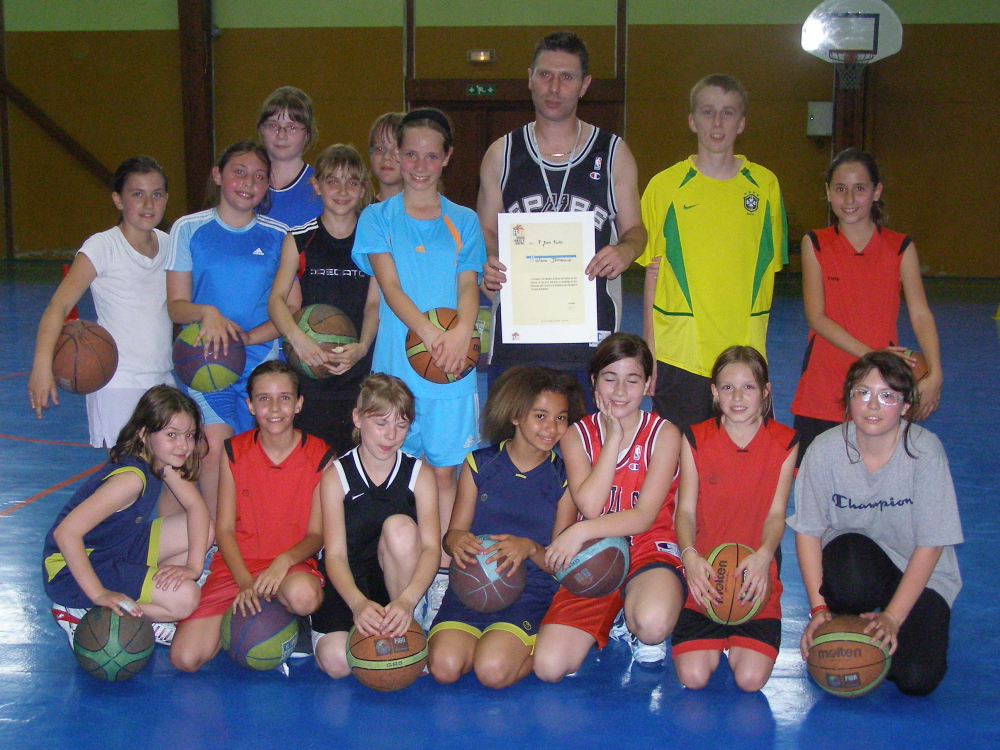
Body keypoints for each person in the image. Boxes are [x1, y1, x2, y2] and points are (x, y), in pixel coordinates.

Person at [352, 108, 486, 627]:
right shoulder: (378, 217)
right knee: (397, 473)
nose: (420, 165)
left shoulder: (465, 220)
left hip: (453, 369)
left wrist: (460, 336)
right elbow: (389, 287)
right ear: (395, 156)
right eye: (410, 154)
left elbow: (469, 284)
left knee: (446, 473)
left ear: (447, 157)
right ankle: (408, 579)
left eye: (433, 155)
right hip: (396, 372)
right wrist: (431, 335)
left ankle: (446, 575)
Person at [478, 31, 646, 404]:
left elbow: (635, 230)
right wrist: (490, 258)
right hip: (518, 333)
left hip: (590, 337)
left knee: (585, 457)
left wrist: (625, 251)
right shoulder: (500, 154)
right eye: (545, 75)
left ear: (584, 85)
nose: (554, 87)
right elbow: (486, 229)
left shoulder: (614, 152)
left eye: (567, 77)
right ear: (529, 78)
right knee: (512, 453)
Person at [789, 351, 962, 696]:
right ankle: (844, 618)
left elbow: (931, 546)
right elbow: (808, 532)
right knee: (849, 557)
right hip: (857, 567)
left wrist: (894, 618)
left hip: (918, 569)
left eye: (887, 396)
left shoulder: (925, 452)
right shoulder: (824, 451)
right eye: (862, 392)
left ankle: (884, 624)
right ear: (848, 397)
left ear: (905, 405)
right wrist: (819, 609)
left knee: (916, 677)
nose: (872, 404)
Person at [638, 74, 787, 430]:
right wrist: (650, 353)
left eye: (728, 113)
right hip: (681, 354)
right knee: (677, 467)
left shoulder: (765, 186)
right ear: (692, 120)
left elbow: (768, 271)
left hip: (744, 358)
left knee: (743, 470)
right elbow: (652, 272)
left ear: (742, 122)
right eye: (707, 112)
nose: (717, 123)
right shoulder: (664, 186)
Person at [533, 333, 683, 680]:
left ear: (648, 384)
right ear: (594, 383)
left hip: (648, 550)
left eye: (632, 380)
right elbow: (591, 504)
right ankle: (615, 611)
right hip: (593, 555)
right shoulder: (575, 435)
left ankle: (637, 610)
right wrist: (613, 438)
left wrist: (579, 530)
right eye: (609, 378)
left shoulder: (665, 434)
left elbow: (644, 517)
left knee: (653, 625)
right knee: (548, 667)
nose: (619, 391)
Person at [427, 366, 585, 688]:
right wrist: (456, 541)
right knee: (444, 668)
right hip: (470, 586)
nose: (551, 428)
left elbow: (558, 565)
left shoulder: (564, 477)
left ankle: (540, 647)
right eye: (540, 416)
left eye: (560, 418)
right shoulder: (479, 463)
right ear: (514, 415)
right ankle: (487, 642)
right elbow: (452, 536)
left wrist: (528, 547)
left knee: (492, 671)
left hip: (530, 591)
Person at [170, 361, 330, 673]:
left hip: (291, 565)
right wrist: (245, 582)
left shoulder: (320, 455)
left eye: (284, 398)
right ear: (250, 405)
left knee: (305, 597)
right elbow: (225, 529)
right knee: (185, 660)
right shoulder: (234, 451)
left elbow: (317, 534)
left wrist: (283, 561)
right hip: (238, 567)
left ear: (299, 404)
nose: (274, 408)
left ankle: (284, 617)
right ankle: (242, 612)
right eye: (263, 399)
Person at [790, 148, 943, 460]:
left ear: (877, 192)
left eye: (860, 189)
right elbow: (816, 317)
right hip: (823, 386)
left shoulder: (900, 247)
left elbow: (920, 313)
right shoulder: (816, 243)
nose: (849, 199)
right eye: (840, 189)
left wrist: (936, 373)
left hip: (879, 386)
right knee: (819, 486)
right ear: (828, 193)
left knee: (874, 485)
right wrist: (872, 355)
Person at [165, 141, 286, 516]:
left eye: (259, 176)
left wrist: (250, 337)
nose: (248, 182)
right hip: (204, 364)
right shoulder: (189, 229)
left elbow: (292, 305)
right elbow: (175, 306)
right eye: (239, 171)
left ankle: (244, 535)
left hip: (259, 364)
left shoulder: (279, 235)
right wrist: (208, 313)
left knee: (253, 454)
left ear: (268, 186)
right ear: (218, 176)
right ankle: (218, 545)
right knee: (215, 447)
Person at [43, 385, 211, 647]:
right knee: (187, 599)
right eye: (172, 434)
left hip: (117, 547)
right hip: (73, 570)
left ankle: (151, 590)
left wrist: (193, 566)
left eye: (189, 434)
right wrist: (99, 594)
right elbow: (65, 533)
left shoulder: (161, 459)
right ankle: (84, 612)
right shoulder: (131, 480)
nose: (184, 445)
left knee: (204, 530)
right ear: (144, 434)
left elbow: (197, 509)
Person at [672, 346, 797, 691]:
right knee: (693, 678)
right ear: (714, 392)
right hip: (706, 575)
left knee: (751, 680)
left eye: (749, 387)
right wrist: (690, 558)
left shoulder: (785, 442)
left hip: (755, 577)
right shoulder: (696, 437)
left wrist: (764, 556)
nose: (738, 397)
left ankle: (745, 636)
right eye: (727, 387)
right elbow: (684, 510)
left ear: (766, 392)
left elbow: (776, 514)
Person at [28, 157, 173, 450]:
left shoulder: (170, 244)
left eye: (156, 194)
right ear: (118, 200)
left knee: (168, 477)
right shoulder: (102, 246)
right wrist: (41, 366)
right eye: (137, 194)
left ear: (166, 199)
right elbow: (57, 306)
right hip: (117, 381)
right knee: (129, 476)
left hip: (162, 377)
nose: (148, 204)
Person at [312, 374, 440, 678]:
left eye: (401, 425)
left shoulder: (419, 474)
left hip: (396, 580)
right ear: (357, 418)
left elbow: (433, 548)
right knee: (338, 663)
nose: (391, 436)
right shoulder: (335, 476)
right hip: (347, 581)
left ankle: (410, 620)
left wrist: (407, 600)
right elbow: (335, 555)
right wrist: (357, 604)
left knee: (401, 528)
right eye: (381, 423)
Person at [268, 144, 379, 456]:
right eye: (333, 181)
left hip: (358, 371)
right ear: (316, 186)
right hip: (311, 374)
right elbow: (276, 299)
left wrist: (362, 348)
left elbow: (374, 303)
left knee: (355, 468)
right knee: (314, 468)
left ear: (362, 189)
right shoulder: (300, 238)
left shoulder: (374, 240)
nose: (342, 191)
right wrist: (297, 338)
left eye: (352, 182)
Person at [256, 86, 322, 229]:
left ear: (308, 134)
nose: (281, 135)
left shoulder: (322, 187)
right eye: (273, 125)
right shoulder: (246, 184)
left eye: (292, 127)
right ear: (261, 129)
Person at [368, 112, 404, 203]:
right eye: (379, 149)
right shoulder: (361, 212)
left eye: (396, 150)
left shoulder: (431, 212)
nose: (387, 156)